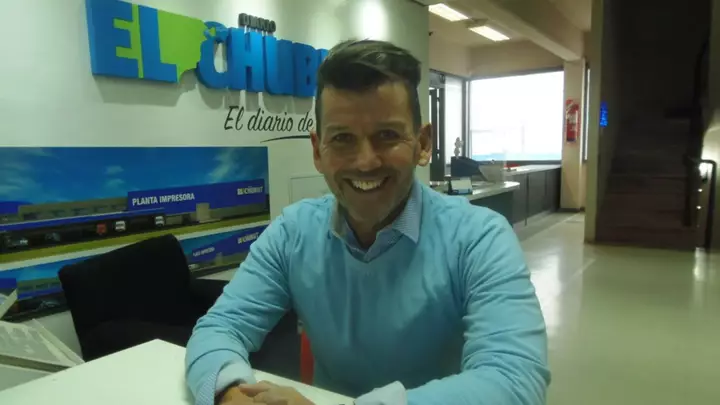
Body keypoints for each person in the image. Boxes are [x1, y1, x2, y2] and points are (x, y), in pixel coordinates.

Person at [185, 39, 550, 405]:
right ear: (317, 150)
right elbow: (220, 328)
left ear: (423, 143)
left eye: (387, 136)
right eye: (342, 138)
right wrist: (229, 394)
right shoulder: (291, 234)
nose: (365, 162)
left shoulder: (480, 238)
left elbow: (514, 380)